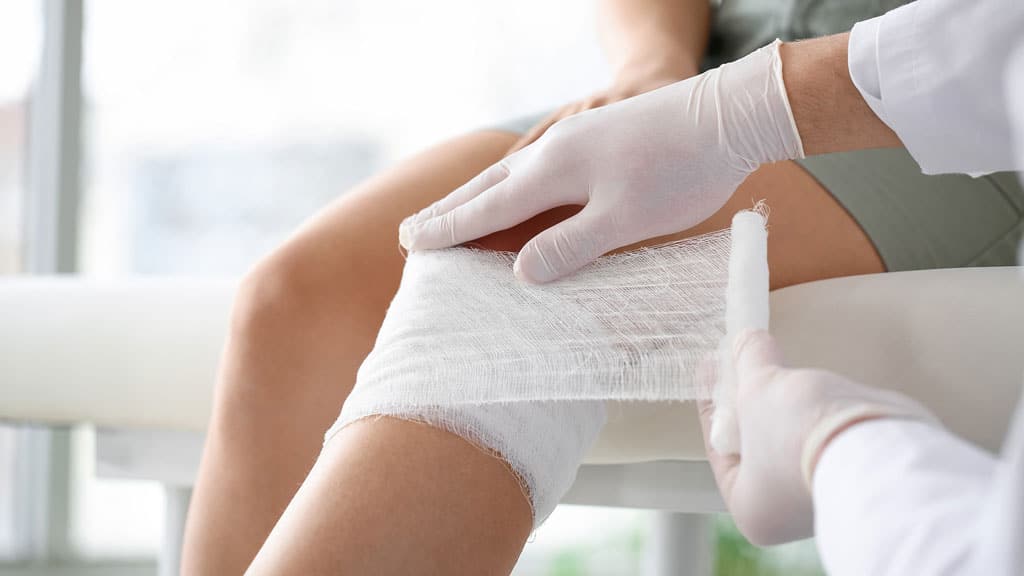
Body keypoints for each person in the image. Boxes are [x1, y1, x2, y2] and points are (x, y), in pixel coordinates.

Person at [181, 1, 1024, 574]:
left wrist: (742, 112)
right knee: (294, 297)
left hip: (950, 105)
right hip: (719, 54)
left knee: (519, 275)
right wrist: (654, 70)